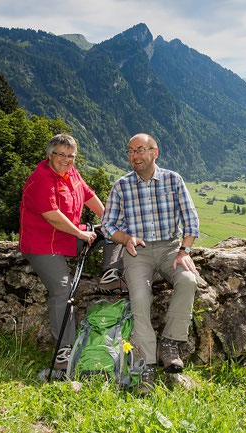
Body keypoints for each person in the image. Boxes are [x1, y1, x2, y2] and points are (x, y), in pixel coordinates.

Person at [101, 133, 199, 391]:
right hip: (137, 252)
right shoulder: (121, 186)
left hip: (169, 248)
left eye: (141, 150)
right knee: (140, 300)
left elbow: (191, 220)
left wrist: (184, 251)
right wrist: (126, 239)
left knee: (189, 280)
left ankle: (170, 342)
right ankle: (146, 367)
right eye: (131, 151)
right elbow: (107, 225)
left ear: (155, 152)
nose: (135, 155)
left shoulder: (172, 179)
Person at [19, 133, 122, 370]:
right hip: (42, 244)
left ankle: (110, 275)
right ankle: (63, 352)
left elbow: (88, 195)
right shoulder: (41, 179)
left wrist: (108, 220)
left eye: (71, 156)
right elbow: (53, 217)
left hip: (69, 237)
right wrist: (80, 233)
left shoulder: (71, 173)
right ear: (49, 155)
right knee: (63, 289)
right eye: (61, 155)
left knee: (112, 231)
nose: (66, 160)